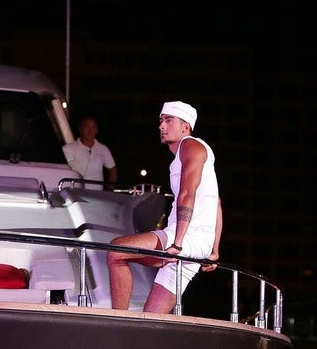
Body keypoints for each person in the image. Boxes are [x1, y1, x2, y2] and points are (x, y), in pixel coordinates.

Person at [104, 101, 222, 314]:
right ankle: (129, 336)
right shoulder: (181, 157)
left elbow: (188, 194)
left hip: (184, 239)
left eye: (169, 120)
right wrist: (213, 251)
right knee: (151, 319)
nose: (161, 126)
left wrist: (176, 245)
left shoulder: (190, 145)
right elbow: (217, 203)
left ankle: (117, 321)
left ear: (185, 126)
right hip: (193, 242)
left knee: (116, 250)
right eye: (160, 121)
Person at [66, 116, 118, 187]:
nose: (90, 131)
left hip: (95, 195)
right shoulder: (68, 148)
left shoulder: (103, 149)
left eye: (93, 127)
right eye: (87, 127)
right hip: (75, 194)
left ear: (96, 130)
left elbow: (113, 169)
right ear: (80, 129)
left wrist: (111, 188)